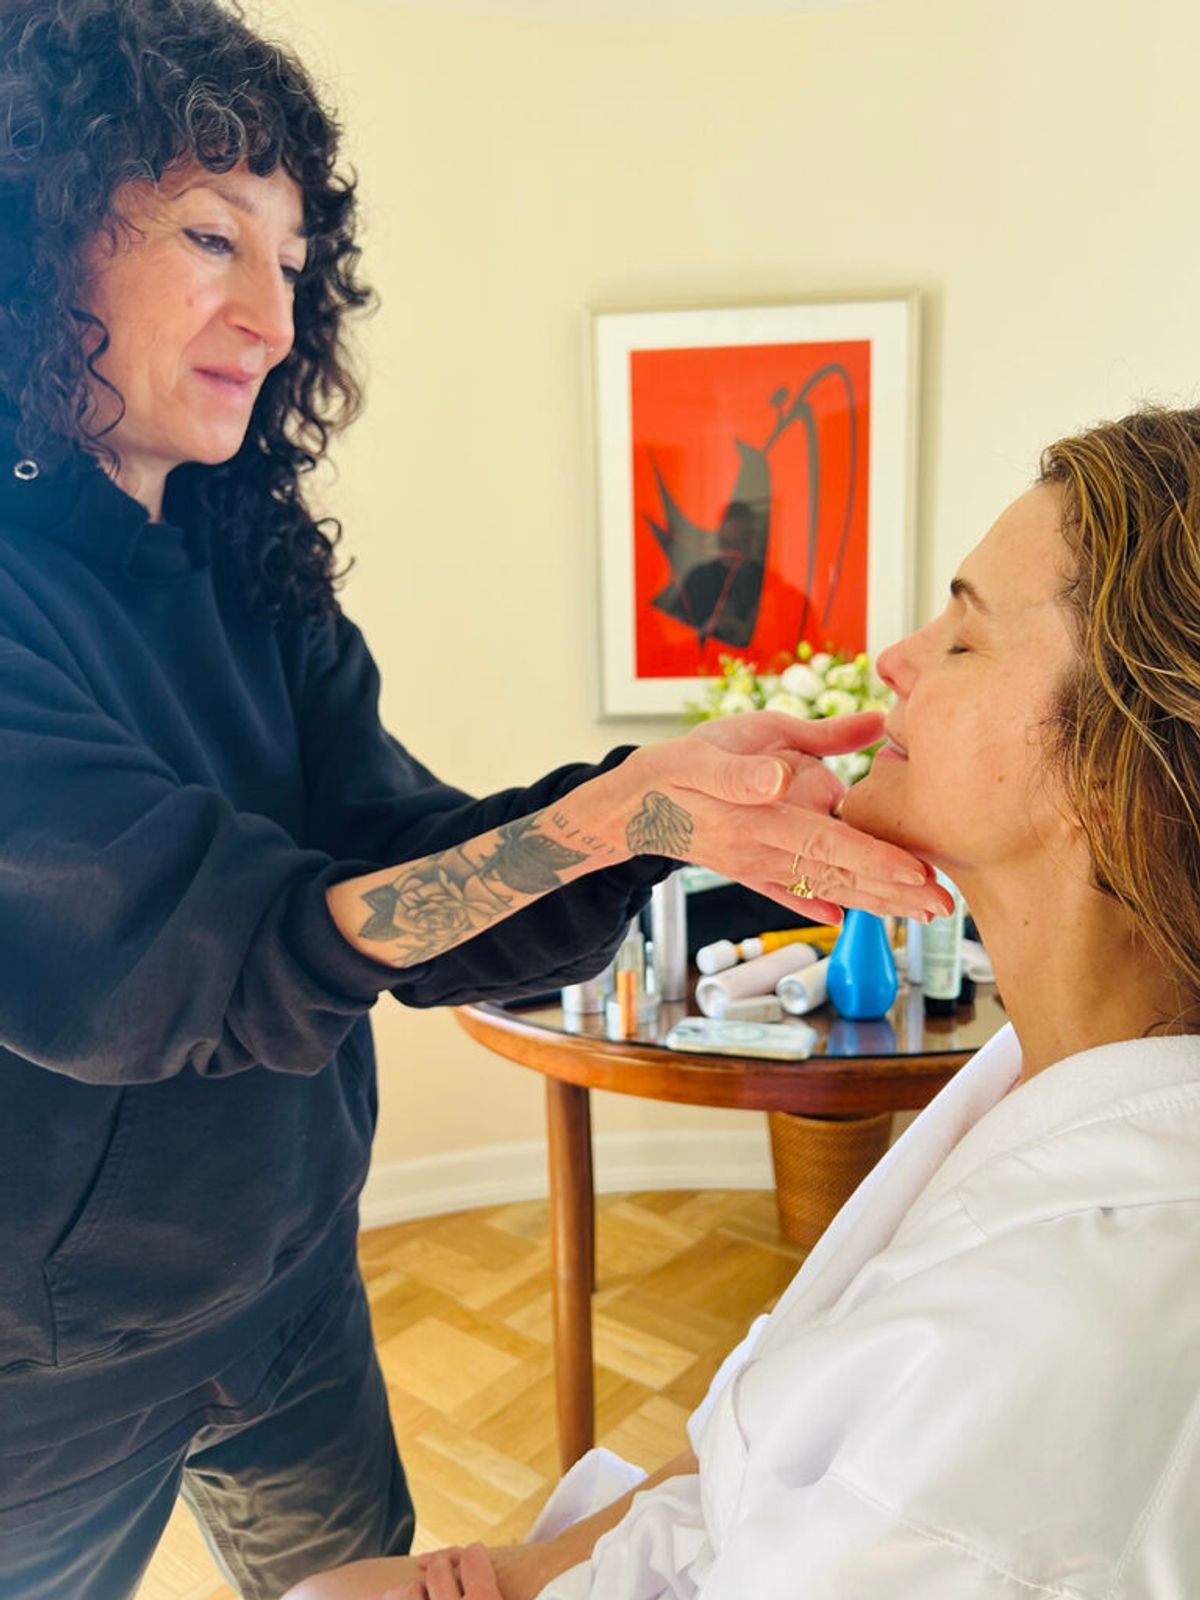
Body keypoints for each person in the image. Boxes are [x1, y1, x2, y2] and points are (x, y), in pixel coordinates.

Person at [0, 4, 950, 1597]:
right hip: (57, 1371)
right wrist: (615, 818)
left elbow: (404, 872)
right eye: (213, 235)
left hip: (297, 1292)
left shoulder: (254, 581)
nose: (270, 316)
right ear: (42, 230)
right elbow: (200, 953)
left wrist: (656, 818)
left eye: (295, 267)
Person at [287, 407, 1200, 1600]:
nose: (898, 660)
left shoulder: (1042, 1357)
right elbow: (754, 1437)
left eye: (965, 640)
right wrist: (520, 1571)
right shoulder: (1051, 1081)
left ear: (1122, 758)